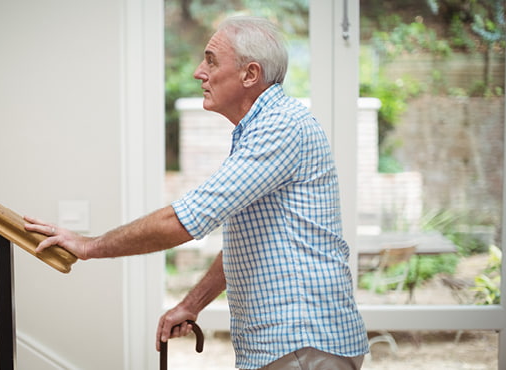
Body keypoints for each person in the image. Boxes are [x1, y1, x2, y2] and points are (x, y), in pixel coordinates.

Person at [24, 16, 368, 370]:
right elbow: (253, 241)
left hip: (302, 344)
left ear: (250, 75)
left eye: (211, 60)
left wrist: (89, 246)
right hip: (295, 345)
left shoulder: (280, 127)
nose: (198, 72)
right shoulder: (263, 128)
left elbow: (183, 220)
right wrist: (193, 303)